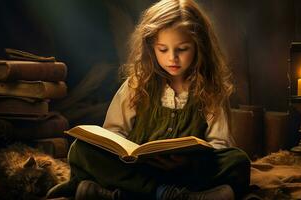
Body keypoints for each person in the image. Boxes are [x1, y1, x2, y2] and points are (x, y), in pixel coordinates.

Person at [47, 0, 251, 199]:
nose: (172, 58)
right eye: (163, 49)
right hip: (139, 170)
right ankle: (166, 194)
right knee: (81, 150)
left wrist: (189, 162)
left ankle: (118, 194)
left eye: (182, 49)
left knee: (237, 161)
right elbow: (113, 133)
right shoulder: (137, 85)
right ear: (151, 47)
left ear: (199, 47)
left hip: (187, 172)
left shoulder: (210, 90)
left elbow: (220, 144)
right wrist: (128, 153)